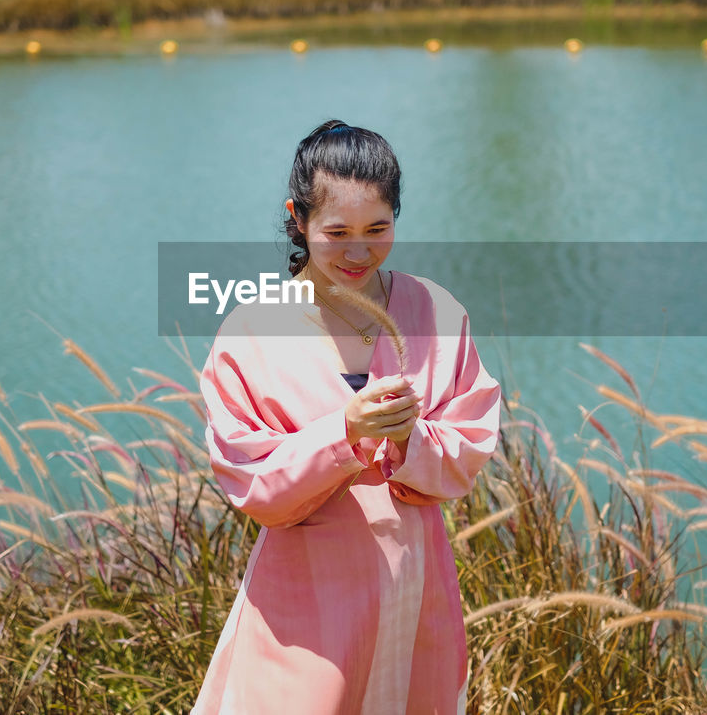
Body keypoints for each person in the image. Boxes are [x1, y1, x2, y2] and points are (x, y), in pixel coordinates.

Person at [191, 120, 501, 715]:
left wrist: (414, 437)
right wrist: (345, 434)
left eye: (378, 229)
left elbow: (471, 442)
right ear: (297, 220)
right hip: (306, 609)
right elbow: (250, 481)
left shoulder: (435, 313)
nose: (358, 252)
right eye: (336, 233)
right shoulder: (250, 336)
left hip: (417, 595)